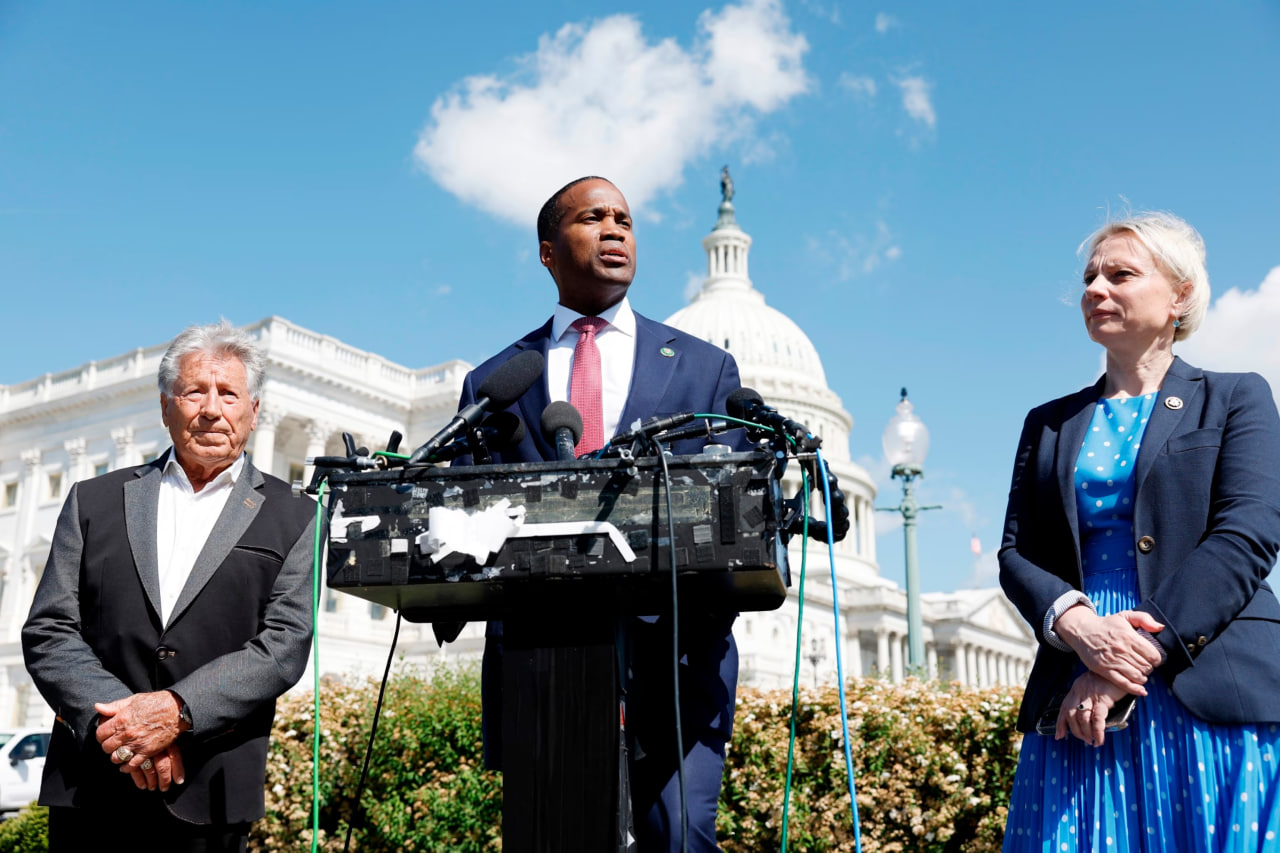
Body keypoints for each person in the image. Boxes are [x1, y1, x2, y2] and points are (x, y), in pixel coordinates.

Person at [456, 176, 745, 851]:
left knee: (679, 836)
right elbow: (460, 514)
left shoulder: (704, 368)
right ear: (549, 250)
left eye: (624, 218)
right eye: (592, 218)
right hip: (540, 656)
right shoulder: (499, 380)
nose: (615, 229)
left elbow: (733, 509)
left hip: (674, 658)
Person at [998, 212, 1280, 851]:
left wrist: (1126, 657)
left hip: (1206, 676)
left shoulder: (1236, 397)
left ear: (1180, 294)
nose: (1096, 289)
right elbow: (1017, 553)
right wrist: (1076, 626)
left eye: (1121, 274)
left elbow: (1248, 533)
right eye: (1090, 278)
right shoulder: (1048, 423)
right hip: (1077, 686)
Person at [23, 322, 316, 852]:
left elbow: (283, 647)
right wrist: (126, 729)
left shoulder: (295, 515)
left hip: (210, 788)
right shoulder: (93, 500)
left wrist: (177, 713)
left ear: (253, 411)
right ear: (165, 407)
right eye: (193, 391)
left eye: (228, 393)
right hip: (91, 785)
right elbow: (50, 629)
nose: (211, 408)